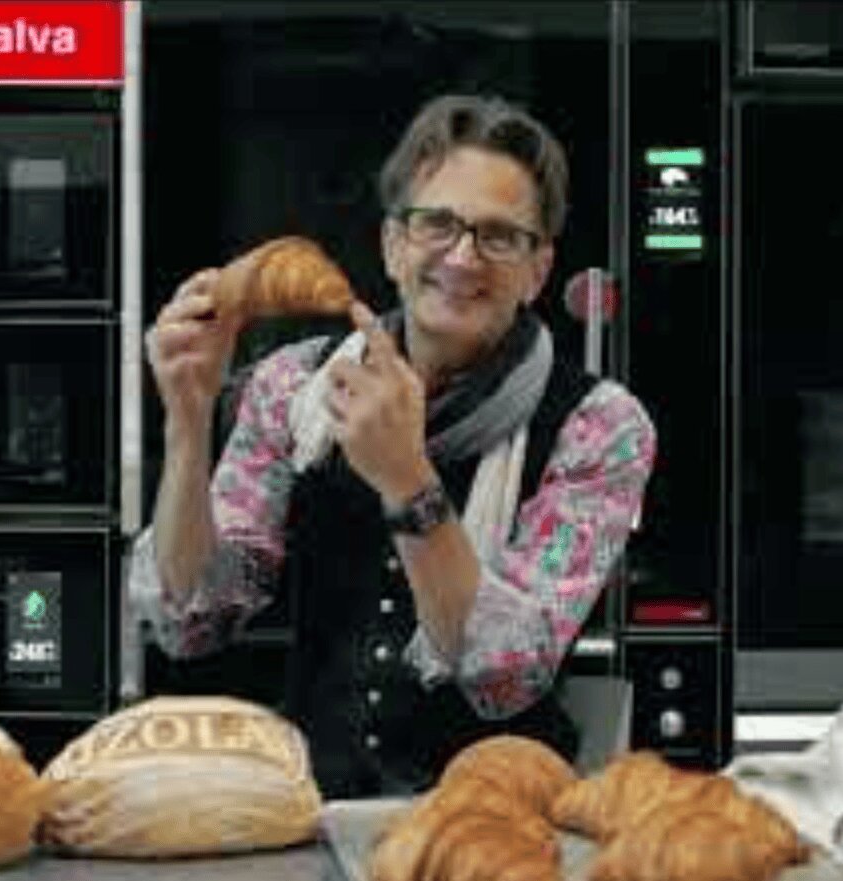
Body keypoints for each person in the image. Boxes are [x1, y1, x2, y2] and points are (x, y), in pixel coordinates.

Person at [130, 94, 657, 799]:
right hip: (313, 810)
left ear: (537, 269)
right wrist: (188, 425)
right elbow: (190, 619)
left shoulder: (601, 427)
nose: (462, 257)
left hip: (501, 822)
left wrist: (409, 482)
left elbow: (506, 675)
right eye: (436, 223)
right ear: (392, 246)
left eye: (499, 236)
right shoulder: (295, 387)